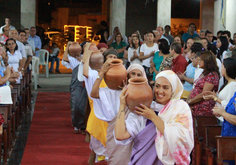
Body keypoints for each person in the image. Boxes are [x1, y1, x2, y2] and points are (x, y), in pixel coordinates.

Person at [115, 70, 194, 165]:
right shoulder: (145, 108)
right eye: (157, 86)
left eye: (165, 88)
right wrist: (122, 106)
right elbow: (120, 135)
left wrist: (153, 117)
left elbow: (181, 139)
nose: (160, 91)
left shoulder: (180, 109)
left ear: (173, 90)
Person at [90, 63, 146, 164]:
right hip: (115, 137)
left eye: (139, 75)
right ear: (127, 76)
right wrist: (101, 74)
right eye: (133, 74)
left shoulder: (144, 95)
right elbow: (93, 93)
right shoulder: (113, 91)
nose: (135, 77)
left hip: (133, 137)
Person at [83, 44, 117, 164]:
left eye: (114, 57)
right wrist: (87, 53)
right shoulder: (94, 74)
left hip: (113, 113)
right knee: (98, 141)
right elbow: (85, 72)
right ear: (104, 59)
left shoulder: (116, 74)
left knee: (109, 143)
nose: (112, 59)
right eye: (110, 56)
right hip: (98, 112)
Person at [187, 51, 220, 116]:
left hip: (204, 109)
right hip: (195, 107)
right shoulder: (204, 73)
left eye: (200, 60)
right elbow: (195, 87)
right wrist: (189, 101)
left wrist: (190, 101)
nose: (198, 62)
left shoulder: (212, 75)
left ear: (206, 61)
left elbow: (204, 94)